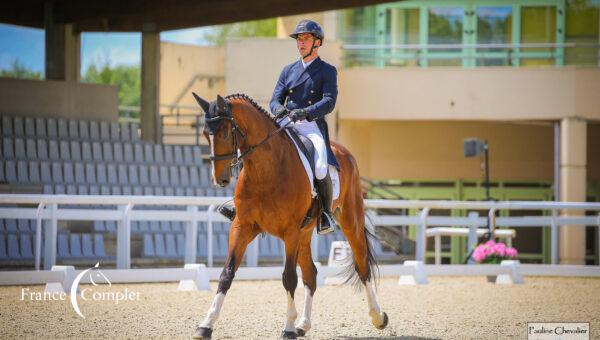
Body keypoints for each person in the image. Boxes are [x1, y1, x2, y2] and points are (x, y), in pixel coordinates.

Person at [219, 19, 340, 235]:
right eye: (299, 39)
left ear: (317, 42)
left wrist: (306, 112)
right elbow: (275, 99)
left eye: (306, 39)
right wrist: (279, 111)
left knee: (321, 167)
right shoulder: (288, 70)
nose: (301, 43)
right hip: (286, 122)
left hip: (310, 125)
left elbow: (329, 101)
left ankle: (325, 214)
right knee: (255, 150)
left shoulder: (327, 70)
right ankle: (238, 205)